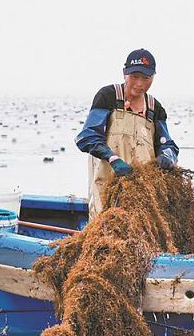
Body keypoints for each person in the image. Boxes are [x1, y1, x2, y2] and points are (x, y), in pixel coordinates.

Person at [76, 49, 179, 218]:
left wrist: (167, 155)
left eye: (146, 78)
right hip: (107, 184)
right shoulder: (108, 96)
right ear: (125, 73)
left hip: (142, 190)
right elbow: (87, 137)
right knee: (106, 231)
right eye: (134, 77)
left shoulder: (155, 108)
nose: (139, 84)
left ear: (153, 77)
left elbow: (169, 145)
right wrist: (112, 158)